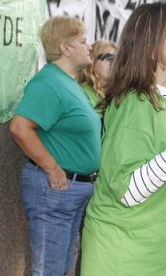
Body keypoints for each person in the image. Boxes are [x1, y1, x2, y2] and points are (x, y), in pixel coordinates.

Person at [79, 3, 166, 275]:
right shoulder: (133, 102)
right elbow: (128, 191)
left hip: (162, 258)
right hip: (130, 259)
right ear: (150, 47)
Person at [9, 16, 99, 276]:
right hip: (56, 190)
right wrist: (53, 168)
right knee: (49, 270)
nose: (89, 46)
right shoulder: (48, 82)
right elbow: (19, 127)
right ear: (65, 48)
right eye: (82, 41)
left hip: (72, 190)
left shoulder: (69, 81)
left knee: (60, 269)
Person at [78, 40, 117, 109]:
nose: (114, 63)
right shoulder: (82, 93)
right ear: (93, 60)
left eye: (117, 59)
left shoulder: (118, 94)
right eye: (109, 58)